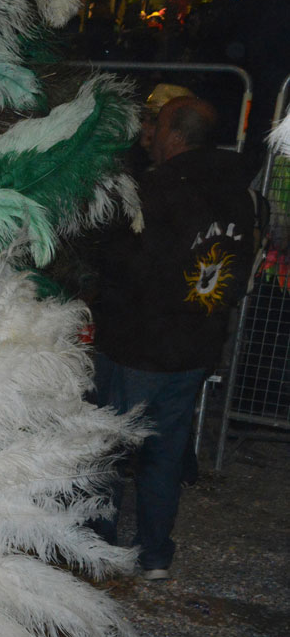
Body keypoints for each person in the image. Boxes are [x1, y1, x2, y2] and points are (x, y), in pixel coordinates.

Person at [90, 96, 258, 580]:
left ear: (176, 135)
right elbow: (236, 272)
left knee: (110, 449)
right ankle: (154, 554)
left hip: (139, 347)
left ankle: (102, 547)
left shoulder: (158, 189)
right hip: (194, 348)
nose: (152, 133)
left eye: (158, 125)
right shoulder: (237, 194)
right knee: (164, 454)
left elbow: (127, 265)